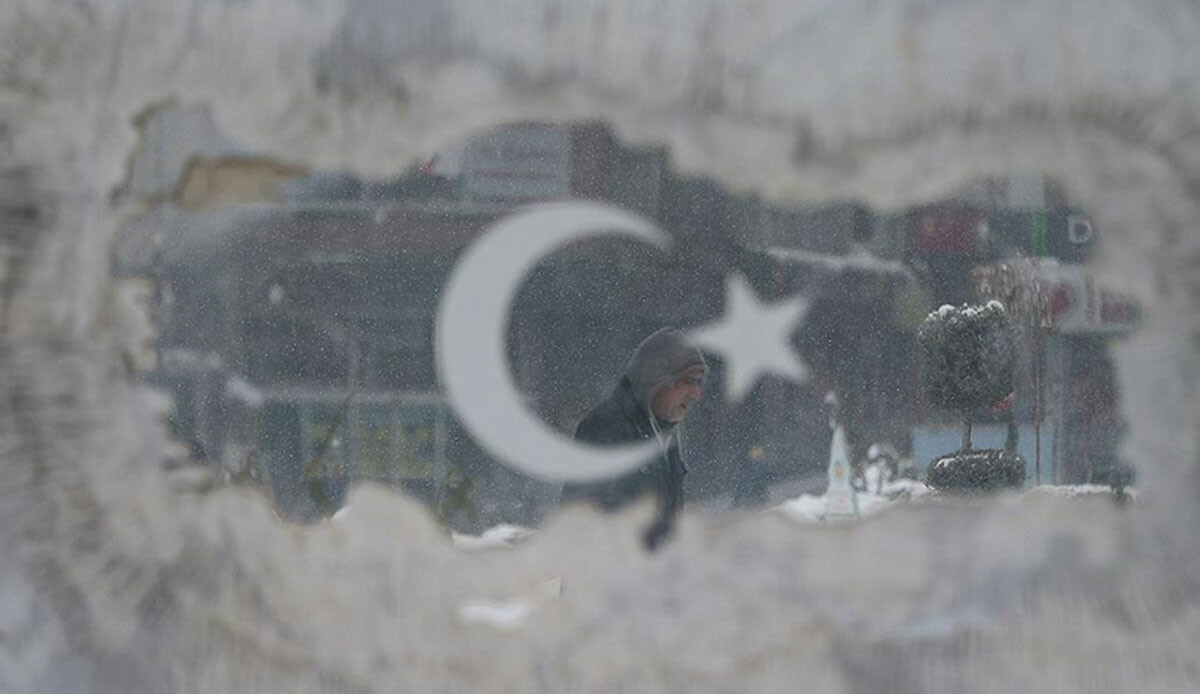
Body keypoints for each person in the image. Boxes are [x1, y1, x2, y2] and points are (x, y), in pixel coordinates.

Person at [565, 327, 707, 550]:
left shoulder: (663, 436)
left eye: (699, 383)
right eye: (689, 381)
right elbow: (583, 526)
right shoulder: (606, 429)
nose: (696, 395)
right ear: (658, 379)